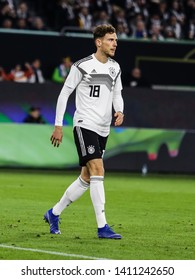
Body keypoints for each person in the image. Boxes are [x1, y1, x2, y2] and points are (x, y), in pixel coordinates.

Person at [44, 24, 124, 239]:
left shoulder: (115, 68)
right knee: (98, 169)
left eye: (115, 40)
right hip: (84, 124)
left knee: (87, 177)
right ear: (99, 42)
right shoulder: (82, 66)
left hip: (103, 129)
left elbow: (117, 93)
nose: (115, 43)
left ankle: (54, 213)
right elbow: (64, 95)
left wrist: (120, 111)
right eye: (110, 40)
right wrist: (58, 126)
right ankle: (102, 227)